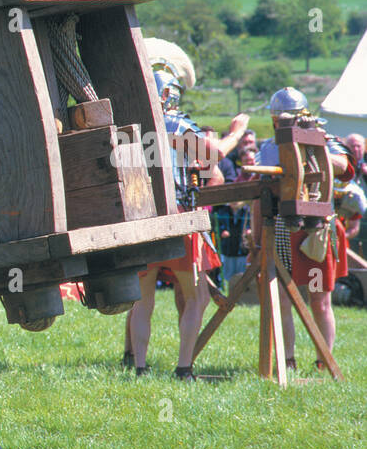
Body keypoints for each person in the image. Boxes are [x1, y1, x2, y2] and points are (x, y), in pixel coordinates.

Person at [124, 41, 245, 378]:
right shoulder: (178, 126)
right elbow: (215, 154)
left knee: (142, 300)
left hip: (142, 220)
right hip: (178, 219)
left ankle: (140, 367)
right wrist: (236, 133)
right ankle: (183, 367)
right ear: (172, 95)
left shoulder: (131, 127)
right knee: (196, 297)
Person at [256, 87, 353, 371]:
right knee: (284, 298)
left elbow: (345, 167)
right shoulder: (268, 147)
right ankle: (288, 360)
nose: (281, 125)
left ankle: (325, 361)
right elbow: (262, 188)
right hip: (282, 228)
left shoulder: (323, 138)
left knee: (318, 298)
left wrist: (313, 146)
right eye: (278, 120)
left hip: (315, 231)